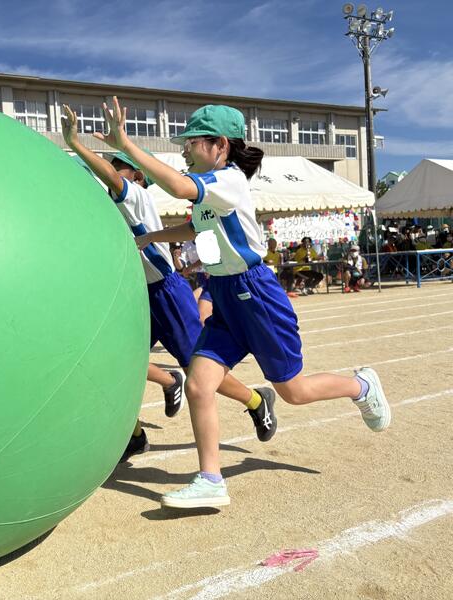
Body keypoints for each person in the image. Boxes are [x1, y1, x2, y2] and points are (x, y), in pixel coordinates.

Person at [95, 98, 390, 508]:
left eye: (191, 142)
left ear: (220, 145)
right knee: (198, 384)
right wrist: (150, 238)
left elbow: (178, 187)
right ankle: (211, 479)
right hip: (225, 294)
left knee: (293, 391)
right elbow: (194, 227)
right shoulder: (210, 190)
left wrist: (127, 145)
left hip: (258, 295)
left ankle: (362, 385)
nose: (184, 150)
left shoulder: (229, 180)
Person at [60, 104, 277, 464]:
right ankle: (137, 430)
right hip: (139, 293)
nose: (110, 171)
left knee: (198, 368)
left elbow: (114, 178)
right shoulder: (108, 205)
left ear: (137, 175)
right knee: (115, 363)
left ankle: (256, 400)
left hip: (167, 291)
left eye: (118, 166)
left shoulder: (134, 194)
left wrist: (76, 143)